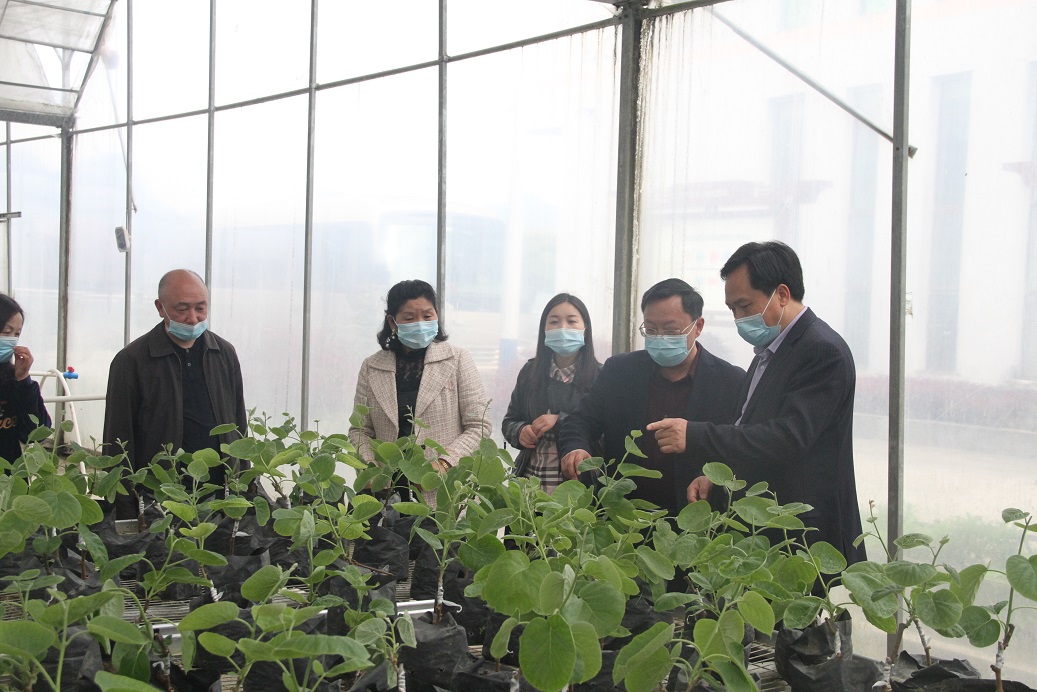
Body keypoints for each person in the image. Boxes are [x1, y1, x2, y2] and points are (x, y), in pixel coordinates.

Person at [651, 241, 866, 565]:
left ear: (782, 294)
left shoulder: (822, 351)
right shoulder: (772, 351)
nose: (739, 318)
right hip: (768, 526)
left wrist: (694, 435)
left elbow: (787, 438)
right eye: (732, 309)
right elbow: (749, 427)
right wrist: (720, 478)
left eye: (745, 305)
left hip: (803, 535)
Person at [558, 279, 745, 516]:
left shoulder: (730, 381)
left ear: (698, 326)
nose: (660, 338)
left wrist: (714, 478)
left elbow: (739, 449)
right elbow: (580, 421)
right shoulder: (619, 371)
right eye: (651, 330)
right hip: (622, 512)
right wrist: (575, 448)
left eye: (671, 330)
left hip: (694, 516)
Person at [103, 269, 247, 516]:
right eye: (182, 309)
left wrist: (242, 484)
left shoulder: (223, 353)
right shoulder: (132, 360)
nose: (193, 318)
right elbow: (118, 434)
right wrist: (124, 507)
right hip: (158, 495)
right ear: (160, 308)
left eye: (200, 308)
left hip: (218, 491)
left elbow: (238, 423)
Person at [349, 279, 491, 504]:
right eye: (409, 318)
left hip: (442, 490)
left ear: (437, 315)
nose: (420, 324)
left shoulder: (457, 359)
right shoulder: (372, 366)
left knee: (436, 527)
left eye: (427, 316)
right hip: (387, 491)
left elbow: (479, 426)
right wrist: (370, 466)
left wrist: (444, 463)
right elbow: (360, 429)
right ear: (392, 322)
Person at [502, 293, 602, 493]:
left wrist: (560, 421)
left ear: (585, 330)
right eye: (554, 322)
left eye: (571, 321)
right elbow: (509, 421)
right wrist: (521, 432)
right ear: (544, 330)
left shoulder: (600, 376)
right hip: (530, 484)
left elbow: (605, 433)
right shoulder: (530, 372)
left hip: (576, 488)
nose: (562, 328)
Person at [0, 294, 51, 463]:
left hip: (10, 476)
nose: (12, 340)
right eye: (6, 332)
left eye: (17, 334)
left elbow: (36, 433)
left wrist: (23, 379)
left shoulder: (12, 379)